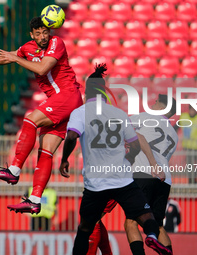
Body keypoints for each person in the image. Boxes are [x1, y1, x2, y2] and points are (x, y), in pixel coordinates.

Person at [59, 64, 172, 255]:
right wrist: (129, 158)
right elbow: (135, 144)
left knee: (85, 229)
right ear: (104, 92)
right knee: (146, 216)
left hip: (95, 184)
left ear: (87, 92)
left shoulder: (81, 112)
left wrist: (64, 159)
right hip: (123, 181)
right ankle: (151, 236)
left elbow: (71, 136)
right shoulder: (119, 114)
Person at [0, 17, 82, 214]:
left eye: (45, 32)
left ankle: (14, 170)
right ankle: (34, 199)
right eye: (38, 34)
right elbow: (8, 56)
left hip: (67, 96)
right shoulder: (28, 48)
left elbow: (41, 68)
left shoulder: (57, 43)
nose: (42, 37)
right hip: (61, 103)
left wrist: (16, 59)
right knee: (46, 151)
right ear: (32, 35)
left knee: (31, 119)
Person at [124, 94, 178, 255]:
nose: (152, 104)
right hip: (164, 178)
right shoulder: (174, 134)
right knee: (158, 225)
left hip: (144, 172)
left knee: (131, 221)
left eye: (155, 102)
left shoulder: (145, 117)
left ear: (162, 107)